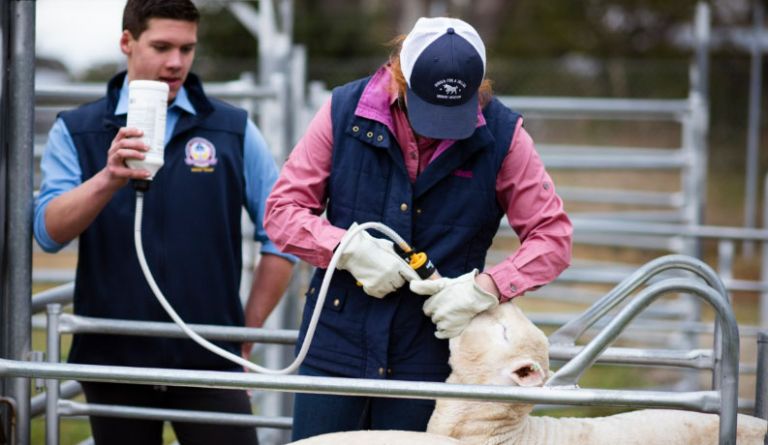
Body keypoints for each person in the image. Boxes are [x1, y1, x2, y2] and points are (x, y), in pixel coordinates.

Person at [264, 16, 572, 441]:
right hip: (336, 348)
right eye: (428, 107)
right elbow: (282, 210)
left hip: (432, 360)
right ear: (399, 76)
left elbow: (552, 238)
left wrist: (487, 287)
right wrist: (345, 249)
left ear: (478, 88)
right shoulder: (343, 112)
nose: (439, 129)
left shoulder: (502, 136)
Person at [33, 1, 295, 444]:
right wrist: (107, 178)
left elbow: (283, 235)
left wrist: (245, 332)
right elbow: (47, 232)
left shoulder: (231, 129)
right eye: (161, 46)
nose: (176, 62)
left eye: (186, 49)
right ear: (127, 42)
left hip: (209, 358)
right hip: (113, 359)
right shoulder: (79, 130)